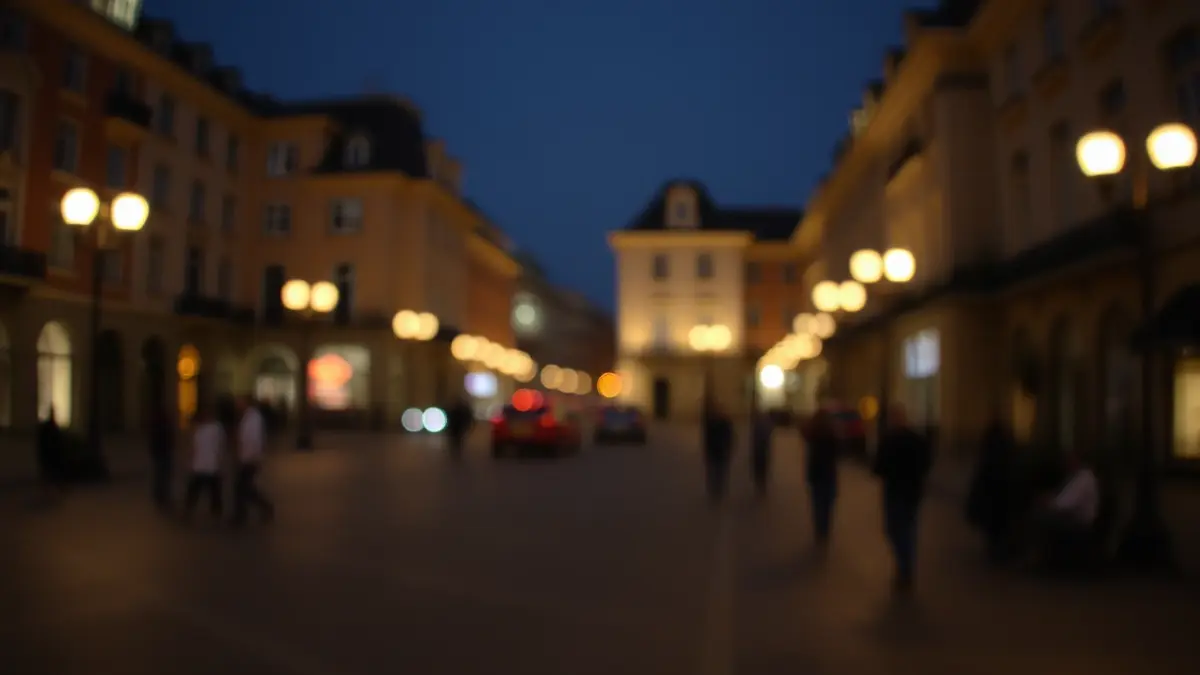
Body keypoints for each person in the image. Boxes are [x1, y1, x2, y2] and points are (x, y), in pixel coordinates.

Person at [873, 404, 932, 591]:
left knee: (896, 528)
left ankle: (905, 567)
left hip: (898, 491)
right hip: (908, 491)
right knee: (905, 528)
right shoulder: (909, 439)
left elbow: (878, 467)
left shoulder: (893, 440)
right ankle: (905, 566)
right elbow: (926, 462)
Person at [1031, 451, 1100, 569]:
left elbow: (1065, 504)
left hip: (1080, 523)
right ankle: (1038, 558)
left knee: (1039, 519)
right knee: (1038, 516)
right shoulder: (1077, 477)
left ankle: (1039, 560)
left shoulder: (1083, 479)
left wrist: (1048, 502)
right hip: (1073, 518)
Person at [967, 421, 1016, 562]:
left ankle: (995, 550)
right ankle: (998, 551)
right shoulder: (1006, 453)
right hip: (1000, 497)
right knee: (999, 526)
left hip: (993, 497)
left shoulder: (989, 455)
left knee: (994, 527)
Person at [232, 397, 275, 527]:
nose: (237, 405)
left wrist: (250, 456)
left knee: (243, 486)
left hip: (250, 458)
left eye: (240, 403)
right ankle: (244, 513)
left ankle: (248, 512)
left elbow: (254, 439)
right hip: (247, 456)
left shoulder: (253, 418)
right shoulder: (247, 417)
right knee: (244, 486)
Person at [803, 408, 840, 547]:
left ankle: (820, 531)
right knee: (828, 505)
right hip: (829, 474)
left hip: (816, 474)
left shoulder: (813, 433)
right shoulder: (832, 434)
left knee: (817, 504)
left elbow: (804, 434)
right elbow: (839, 452)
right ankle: (825, 530)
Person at [183, 405, 224, 521]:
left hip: (204, 465)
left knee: (202, 490)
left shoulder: (208, 429)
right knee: (209, 490)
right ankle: (214, 511)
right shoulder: (214, 428)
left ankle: (190, 511)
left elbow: (193, 447)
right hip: (206, 465)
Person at [703, 402, 735, 502]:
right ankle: (715, 490)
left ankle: (718, 489)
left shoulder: (724, 423)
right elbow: (707, 438)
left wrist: (729, 448)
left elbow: (730, 437)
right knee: (715, 471)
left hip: (721, 450)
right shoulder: (712, 423)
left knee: (719, 471)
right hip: (715, 450)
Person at [148, 404, 176, 511]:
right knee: (164, 473)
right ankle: (162, 494)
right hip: (164, 451)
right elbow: (169, 438)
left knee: (159, 473)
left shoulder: (155, 426)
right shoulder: (165, 425)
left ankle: (159, 494)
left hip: (159, 452)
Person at [750, 409, 774, 497]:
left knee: (759, 468)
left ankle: (760, 485)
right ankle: (761, 486)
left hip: (759, 449)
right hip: (763, 449)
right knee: (762, 468)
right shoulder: (766, 424)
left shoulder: (758, 424)